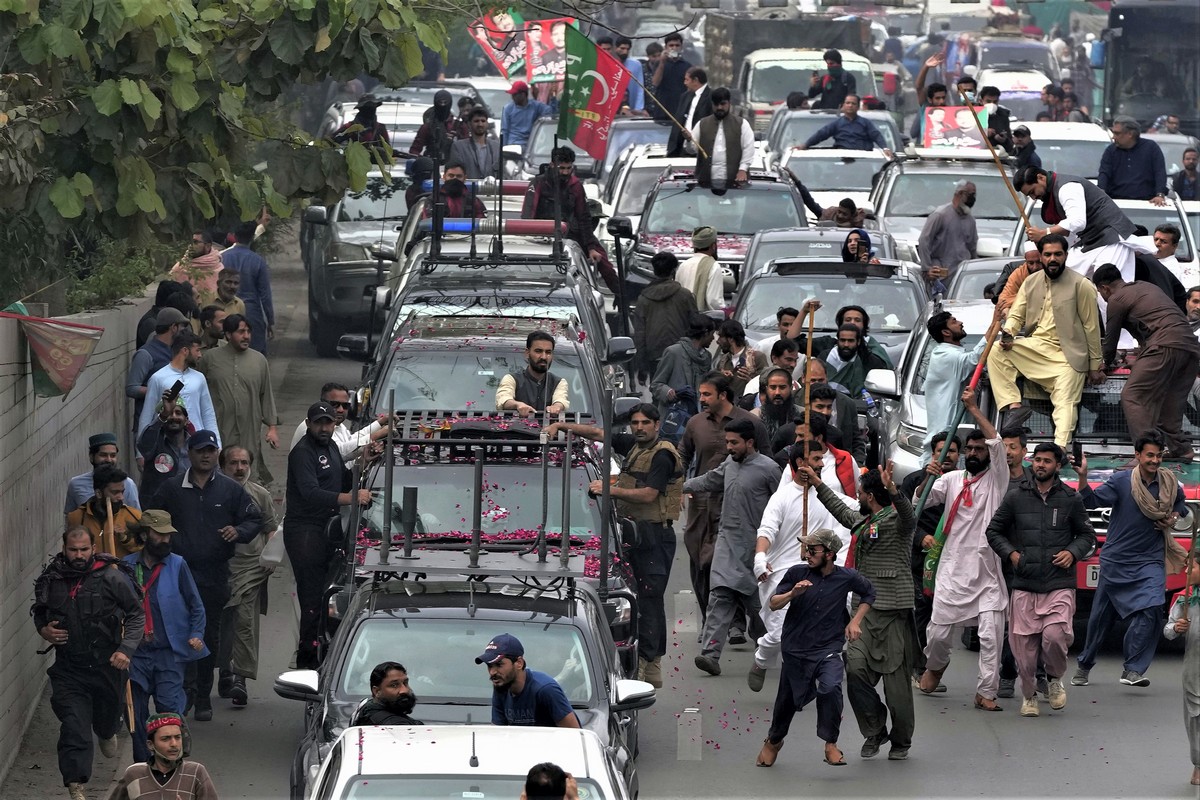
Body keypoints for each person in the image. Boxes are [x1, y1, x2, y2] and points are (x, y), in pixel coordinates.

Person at [551, 404, 684, 688]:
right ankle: (640, 659)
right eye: (635, 422)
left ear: (657, 425)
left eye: (645, 423)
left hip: (655, 537)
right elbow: (598, 433)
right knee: (634, 597)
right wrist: (562, 427)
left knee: (650, 598)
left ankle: (651, 663)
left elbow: (649, 495)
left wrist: (608, 489)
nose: (639, 427)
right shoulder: (635, 446)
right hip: (633, 534)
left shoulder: (662, 455)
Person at [149, 430, 262, 725]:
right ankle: (182, 694)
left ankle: (202, 698)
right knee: (179, 632)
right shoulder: (172, 488)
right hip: (177, 573)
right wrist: (162, 545)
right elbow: (151, 518)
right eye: (201, 450)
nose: (206, 455)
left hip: (214, 573)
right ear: (191, 452)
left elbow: (254, 518)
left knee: (207, 635)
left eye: (211, 450)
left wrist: (238, 531)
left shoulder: (229, 490)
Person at [807, 460, 916, 760]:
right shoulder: (866, 522)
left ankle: (901, 741)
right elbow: (842, 513)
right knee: (854, 669)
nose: (856, 498)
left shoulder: (898, 521)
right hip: (864, 613)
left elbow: (908, 513)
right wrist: (817, 482)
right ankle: (875, 729)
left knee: (896, 688)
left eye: (860, 494)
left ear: (870, 496)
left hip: (893, 612)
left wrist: (893, 489)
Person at [32, 527, 144, 800]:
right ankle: (76, 784)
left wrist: (125, 650)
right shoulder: (53, 578)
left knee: (106, 722)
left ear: (93, 548)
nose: (79, 555)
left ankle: (107, 730)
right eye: (73, 550)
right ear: (64, 548)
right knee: (74, 725)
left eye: (84, 549)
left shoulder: (111, 577)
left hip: (108, 667)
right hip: (69, 670)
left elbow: (135, 615)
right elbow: (40, 613)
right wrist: (44, 631)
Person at [984, 443, 1095, 717]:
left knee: (1055, 637)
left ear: (1058, 466)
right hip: (1025, 583)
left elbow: (1087, 536)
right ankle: (1029, 695)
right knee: (1023, 651)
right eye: (1038, 460)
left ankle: (1055, 679)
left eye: (1047, 461)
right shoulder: (1015, 498)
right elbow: (994, 531)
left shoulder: (1070, 498)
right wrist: (1011, 554)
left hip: (1059, 583)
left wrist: (1072, 552)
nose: (1041, 465)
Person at [918, 388, 1009, 711]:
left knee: (990, 635)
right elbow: (920, 502)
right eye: (968, 448)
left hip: (986, 570)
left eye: (978, 448)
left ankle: (986, 691)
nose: (973, 452)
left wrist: (972, 409)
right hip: (953, 569)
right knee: (939, 634)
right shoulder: (953, 479)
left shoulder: (998, 479)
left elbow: (996, 443)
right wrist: (925, 479)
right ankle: (935, 668)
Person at [1072, 437, 1188, 687]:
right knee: (1100, 619)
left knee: (1152, 608)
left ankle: (1133, 669)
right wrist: (1083, 477)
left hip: (1151, 559)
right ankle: (1084, 664)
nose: (1155, 461)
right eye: (1150, 456)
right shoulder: (1121, 482)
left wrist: (1174, 516)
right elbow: (1091, 501)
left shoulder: (1168, 481)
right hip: (1117, 560)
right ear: (1138, 455)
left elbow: (1180, 503)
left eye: (1158, 456)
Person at [754, 528, 875, 768]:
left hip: (828, 648)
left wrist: (855, 620)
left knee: (831, 688)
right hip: (796, 649)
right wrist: (792, 593)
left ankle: (831, 743)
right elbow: (774, 603)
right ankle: (774, 740)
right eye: (806, 549)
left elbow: (869, 593)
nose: (807, 554)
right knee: (786, 702)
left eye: (812, 550)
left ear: (829, 554)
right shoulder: (797, 573)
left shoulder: (847, 577)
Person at [750, 442, 853, 691]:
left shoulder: (829, 496)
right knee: (778, 634)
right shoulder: (781, 498)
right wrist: (760, 557)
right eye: (816, 459)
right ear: (800, 464)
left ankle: (801, 683)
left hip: (821, 573)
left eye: (822, 459)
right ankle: (762, 660)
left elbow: (859, 511)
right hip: (784, 573)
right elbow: (767, 531)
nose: (821, 464)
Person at [677, 375, 771, 639]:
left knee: (735, 564)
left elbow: (766, 460)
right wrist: (679, 485)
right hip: (702, 505)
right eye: (701, 394)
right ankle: (712, 621)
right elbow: (683, 456)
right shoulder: (695, 423)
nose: (701, 399)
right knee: (700, 561)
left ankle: (739, 623)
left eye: (707, 394)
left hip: (740, 507)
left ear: (723, 395)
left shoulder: (750, 423)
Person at [988, 234, 1103, 447]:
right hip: (1037, 347)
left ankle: (1059, 449)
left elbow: (1091, 328)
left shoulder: (1081, 285)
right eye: (1048, 254)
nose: (1052, 259)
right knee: (996, 351)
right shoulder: (1030, 282)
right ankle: (1015, 406)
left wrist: (1094, 365)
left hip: (1069, 357)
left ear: (1066, 255)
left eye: (1057, 254)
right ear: (1040, 257)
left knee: (1065, 402)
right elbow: (1017, 313)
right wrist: (1009, 332)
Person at [687, 418, 781, 677]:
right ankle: (710, 656)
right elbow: (708, 481)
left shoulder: (770, 469)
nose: (729, 447)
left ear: (750, 443)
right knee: (719, 598)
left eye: (734, 442)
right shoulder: (729, 464)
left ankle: (766, 652)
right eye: (727, 442)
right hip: (727, 544)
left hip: (757, 550)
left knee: (758, 606)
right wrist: (678, 488)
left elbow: (782, 507)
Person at [285, 402, 372, 669]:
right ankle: (306, 664)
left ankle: (326, 656)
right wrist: (351, 498)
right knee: (311, 598)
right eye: (319, 422)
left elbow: (341, 479)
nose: (324, 428)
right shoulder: (303, 453)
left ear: (335, 425)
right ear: (309, 424)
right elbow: (310, 492)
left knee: (326, 598)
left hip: (328, 528)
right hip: (305, 531)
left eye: (328, 422)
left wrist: (364, 461)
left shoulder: (331, 446)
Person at [121, 510, 207, 761]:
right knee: (135, 715)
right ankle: (143, 766)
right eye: (160, 535)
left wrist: (196, 633)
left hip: (168, 652)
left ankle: (170, 765)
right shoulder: (126, 566)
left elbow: (196, 605)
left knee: (168, 713)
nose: (166, 540)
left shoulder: (178, 565)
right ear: (145, 534)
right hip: (136, 653)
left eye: (169, 535)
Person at [1093, 265, 1200, 460]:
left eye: (1100, 292)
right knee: (1170, 403)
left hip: (1164, 345)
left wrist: (1105, 364)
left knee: (1133, 396)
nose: (1103, 296)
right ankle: (1181, 449)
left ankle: (1145, 453)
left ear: (1104, 288)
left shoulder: (1117, 299)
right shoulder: (1145, 287)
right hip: (1191, 349)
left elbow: (1110, 341)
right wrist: (1144, 359)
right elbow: (1149, 330)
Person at [216, 446, 279, 709]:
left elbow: (271, 529)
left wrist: (271, 558)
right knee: (221, 624)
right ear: (223, 466)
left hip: (251, 568)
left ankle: (240, 678)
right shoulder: (213, 493)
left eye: (244, 462)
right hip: (220, 568)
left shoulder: (260, 495)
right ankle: (224, 671)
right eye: (234, 463)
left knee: (245, 621)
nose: (240, 468)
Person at [1017, 166, 1153, 282]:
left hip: (1111, 239)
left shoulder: (1067, 187)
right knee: (1063, 279)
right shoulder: (1054, 193)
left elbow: (1078, 222)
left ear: (1041, 178)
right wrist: (1044, 239)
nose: (1034, 197)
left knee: (1107, 287)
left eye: (1032, 192)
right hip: (1088, 242)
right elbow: (1068, 231)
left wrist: (1044, 233)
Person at [197, 314, 279, 484]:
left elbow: (266, 395)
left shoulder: (259, 361)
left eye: (248, 331)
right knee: (218, 472)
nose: (246, 336)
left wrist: (272, 428)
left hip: (249, 429)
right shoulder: (209, 359)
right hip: (219, 429)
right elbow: (197, 392)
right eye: (241, 332)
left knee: (249, 473)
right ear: (227, 334)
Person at [921, 310, 989, 460]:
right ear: (946, 332)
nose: (960, 323)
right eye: (954, 321)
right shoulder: (944, 355)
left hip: (957, 441)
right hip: (943, 444)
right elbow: (975, 359)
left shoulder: (953, 354)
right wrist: (996, 321)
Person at [522, 147, 606, 266]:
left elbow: (584, 217)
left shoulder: (575, 186)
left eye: (568, 168)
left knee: (605, 264)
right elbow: (528, 214)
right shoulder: (538, 183)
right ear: (552, 165)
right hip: (539, 241)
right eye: (561, 168)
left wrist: (591, 248)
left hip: (569, 240)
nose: (565, 172)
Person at [477, 633, 580, 727]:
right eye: (489, 666)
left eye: (499, 665)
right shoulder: (501, 687)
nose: (492, 672)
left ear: (519, 663)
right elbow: (497, 735)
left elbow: (575, 737)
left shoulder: (545, 690)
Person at [1161, 545, 1200, 787]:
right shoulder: (1186, 600)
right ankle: (1198, 763)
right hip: (1194, 667)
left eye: (1192, 566)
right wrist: (1176, 628)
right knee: (1195, 715)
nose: (1186, 570)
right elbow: (1167, 631)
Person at [111, 713, 218, 799]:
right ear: (150, 744)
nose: (174, 744)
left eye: (177, 737)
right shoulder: (134, 774)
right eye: (165, 739)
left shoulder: (196, 772)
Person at [137, 331, 218, 442]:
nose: (200, 355)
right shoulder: (158, 378)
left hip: (197, 443)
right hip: (166, 442)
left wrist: (216, 442)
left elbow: (208, 413)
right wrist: (141, 451)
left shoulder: (199, 378)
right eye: (197, 350)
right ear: (185, 351)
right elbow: (147, 414)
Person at [632, 251, 698, 388]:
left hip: (655, 356)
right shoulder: (685, 296)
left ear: (654, 271)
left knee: (659, 396)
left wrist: (642, 366)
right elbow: (696, 326)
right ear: (674, 270)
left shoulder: (644, 299)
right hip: (682, 355)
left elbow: (640, 335)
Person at [287, 381, 390, 459]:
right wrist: (378, 434)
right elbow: (340, 451)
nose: (341, 410)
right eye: (334, 405)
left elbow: (352, 440)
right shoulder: (313, 427)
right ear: (322, 403)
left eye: (345, 405)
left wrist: (380, 423)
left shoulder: (337, 424)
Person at [683, 87, 754, 191]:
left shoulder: (742, 124)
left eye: (723, 104)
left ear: (729, 103)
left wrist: (743, 169)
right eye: (716, 105)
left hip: (736, 181)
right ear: (712, 104)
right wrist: (689, 140)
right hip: (705, 183)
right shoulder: (702, 124)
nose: (719, 107)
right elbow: (691, 149)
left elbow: (749, 148)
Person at [128, 308, 190, 425]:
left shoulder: (176, 352)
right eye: (182, 327)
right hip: (150, 423)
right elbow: (131, 388)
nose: (184, 331)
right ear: (173, 327)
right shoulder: (145, 354)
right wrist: (158, 390)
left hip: (174, 424)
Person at [219, 221, 274, 354]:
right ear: (251, 238)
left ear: (235, 237)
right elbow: (265, 294)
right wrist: (270, 321)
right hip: (251, 313)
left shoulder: (222, 257)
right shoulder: (257, 261)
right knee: (255, 354)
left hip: (226, 310)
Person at [67, 464, 143, 557]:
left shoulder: (134, 516)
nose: (121, 497)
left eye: (122, 492)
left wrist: (126, 539)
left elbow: (143, 553)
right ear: (99, 493)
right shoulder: (77, 517)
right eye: (115, 492)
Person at [650, 313, 715, 416]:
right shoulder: (674, 352)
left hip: (699, 417)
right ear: (706, 333)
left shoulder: (707, 357)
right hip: (675, 417)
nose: (713, 338)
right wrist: (669, 392)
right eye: (712, 334)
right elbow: (656, 384)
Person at [918, 180, 978, 288]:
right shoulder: (940, 215)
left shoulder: (970, 220)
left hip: (961, 277)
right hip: (941, 275)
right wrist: (927, 268)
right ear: (960, 194)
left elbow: (972, 248)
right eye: (970, 195)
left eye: (974, 195)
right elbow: (924, 240)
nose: (973, 198)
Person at [64, 433, 141, 516]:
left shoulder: (128, 484)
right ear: (91, 457)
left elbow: (136, 517)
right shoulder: (76, 484)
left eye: (113, 455)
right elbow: (69, 517)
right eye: (103, 455)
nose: (109, 460)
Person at [495, 330, 569, 416]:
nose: (544, 357)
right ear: (527, 353)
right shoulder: (511, 379)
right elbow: (503, 399)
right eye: (538, 351)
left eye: (548, 352)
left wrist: (556, 406)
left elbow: (561, 400)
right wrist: (517, 405)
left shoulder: (559, 382)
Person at [1098, 116, 1168, 205]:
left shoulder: (1151, 148)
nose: (1113, 137)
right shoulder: (1111, 151)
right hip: (1116, 202)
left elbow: (1159, 172)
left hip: (1147, 203)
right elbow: (1104, 173)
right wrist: (1101, 193)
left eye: (1117, 133)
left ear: (1130, 134)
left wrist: (1160, 194)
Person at [137, 393, 192, 497]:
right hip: (158, 509)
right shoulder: (154, 443)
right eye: (170, 413)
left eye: (178, 413)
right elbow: (143, 445)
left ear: (186, 420)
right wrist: (163, 415)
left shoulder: (195, 446)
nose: (173, 417)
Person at [799, 95, 892, 156]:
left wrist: (885, 148)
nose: (850, 105)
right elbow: (821, 134)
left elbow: (876, 135)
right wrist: (805, 145)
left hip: (863, 158)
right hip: (842, 156)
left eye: (853, 103)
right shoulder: (837, 124)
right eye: (848, 103)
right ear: (843, 105)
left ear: (858, 107)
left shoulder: (865, 123)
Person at [808, 381, 867, 465]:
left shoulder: (836, 435)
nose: (825, 412)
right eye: (820, 407)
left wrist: (856, 467)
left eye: (829, 407)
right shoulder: (789, 432)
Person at [351, 661, 422, 725]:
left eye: (405, 683)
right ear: (377, 691)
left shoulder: (369, 708)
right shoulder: (395, 727)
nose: (404, 690)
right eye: (394, 685)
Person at [675, 225, 724, 313]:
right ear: (713, 246)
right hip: (703, 321)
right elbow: (714, 301)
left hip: (683, 318)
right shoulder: (713, 266)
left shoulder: (683, 265)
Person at [713, 319, 766, 399]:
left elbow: (766, 385)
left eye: (721, 337)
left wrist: (750, 380)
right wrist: (723, 378)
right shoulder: (722, 361)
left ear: (731, 339)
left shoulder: (757, 357)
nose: (718, 341)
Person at [667, 67, 712, 157]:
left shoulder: (711, 97)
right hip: (682, 149)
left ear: (695, 80)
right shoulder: (685, 97)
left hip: (701, 150)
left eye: (687, 80)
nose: (685, 83)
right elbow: (678, 121)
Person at [169, 230, 223, 306]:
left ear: (207, 246)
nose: (191, 245)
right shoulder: (180, 267)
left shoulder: (218, 268)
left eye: (195, 242)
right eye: (190, 242)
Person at [448, 107, 499, 179]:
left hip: (491, 189)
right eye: (476, 121)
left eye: (483, 121)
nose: (480, 124)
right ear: (469, 124)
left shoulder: (496, 146)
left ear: (487, 124)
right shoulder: (459, 147)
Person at [409, 89, 459, 162]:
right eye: (440, 102)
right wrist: (423, 161)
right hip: (431, 163)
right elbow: (414, 150)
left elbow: (466, 147)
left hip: (453, 165)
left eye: (445, 102)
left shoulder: (457, 125)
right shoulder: (427, 127)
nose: (443, 105)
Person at [501, 81, 554, 148]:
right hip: (514, 144)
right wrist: (504, 149)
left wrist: (540, 119)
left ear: (523, 94)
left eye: (514, 94)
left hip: (532, 145)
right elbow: (504, 130)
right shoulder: (508, 108)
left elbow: (548, 110)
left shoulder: (535, 106)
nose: (512, 97)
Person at [652, 32, 691, 124]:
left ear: (681, 47)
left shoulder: (687, 66)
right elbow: (655, 82)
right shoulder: (659, 64)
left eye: (677, 45)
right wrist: (662, 62)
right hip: (662, 109)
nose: (674, 48)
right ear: (666, 47)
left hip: (679, 110)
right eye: (671, 45)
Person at [996, 241, 1044, 312]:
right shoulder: (1019, 274)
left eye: (1039, 262)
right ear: (1025, 260)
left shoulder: (1052, 271)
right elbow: (1003, 300)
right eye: (1031, 263)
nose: (1035, 267)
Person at [911, 54, 948, 142]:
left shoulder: (949, 111)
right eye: (937, 98)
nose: (941, 101)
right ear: (930, 99)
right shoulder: (926, 108)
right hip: (926, 151)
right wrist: (926, 67)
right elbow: (919, 87)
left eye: (943, 97)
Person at [613, 37, 646, 114]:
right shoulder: (610, 64)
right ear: (615, 48)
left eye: (627, 49)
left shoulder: (635, 65)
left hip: (631, 107)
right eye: (622, 48)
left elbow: (639, 87)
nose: (625, 52)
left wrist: (639, 108)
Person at [978, 85, 1012, 150]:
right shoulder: (972, 114)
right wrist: (984, 133)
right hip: (977, 154)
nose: (992, 104)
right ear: (981, 101)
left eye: (995, 102)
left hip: (996, 154)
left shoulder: (1003, 116)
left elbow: (1010, 144)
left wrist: (1004, 140)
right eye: (988, 101)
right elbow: (965, 136)